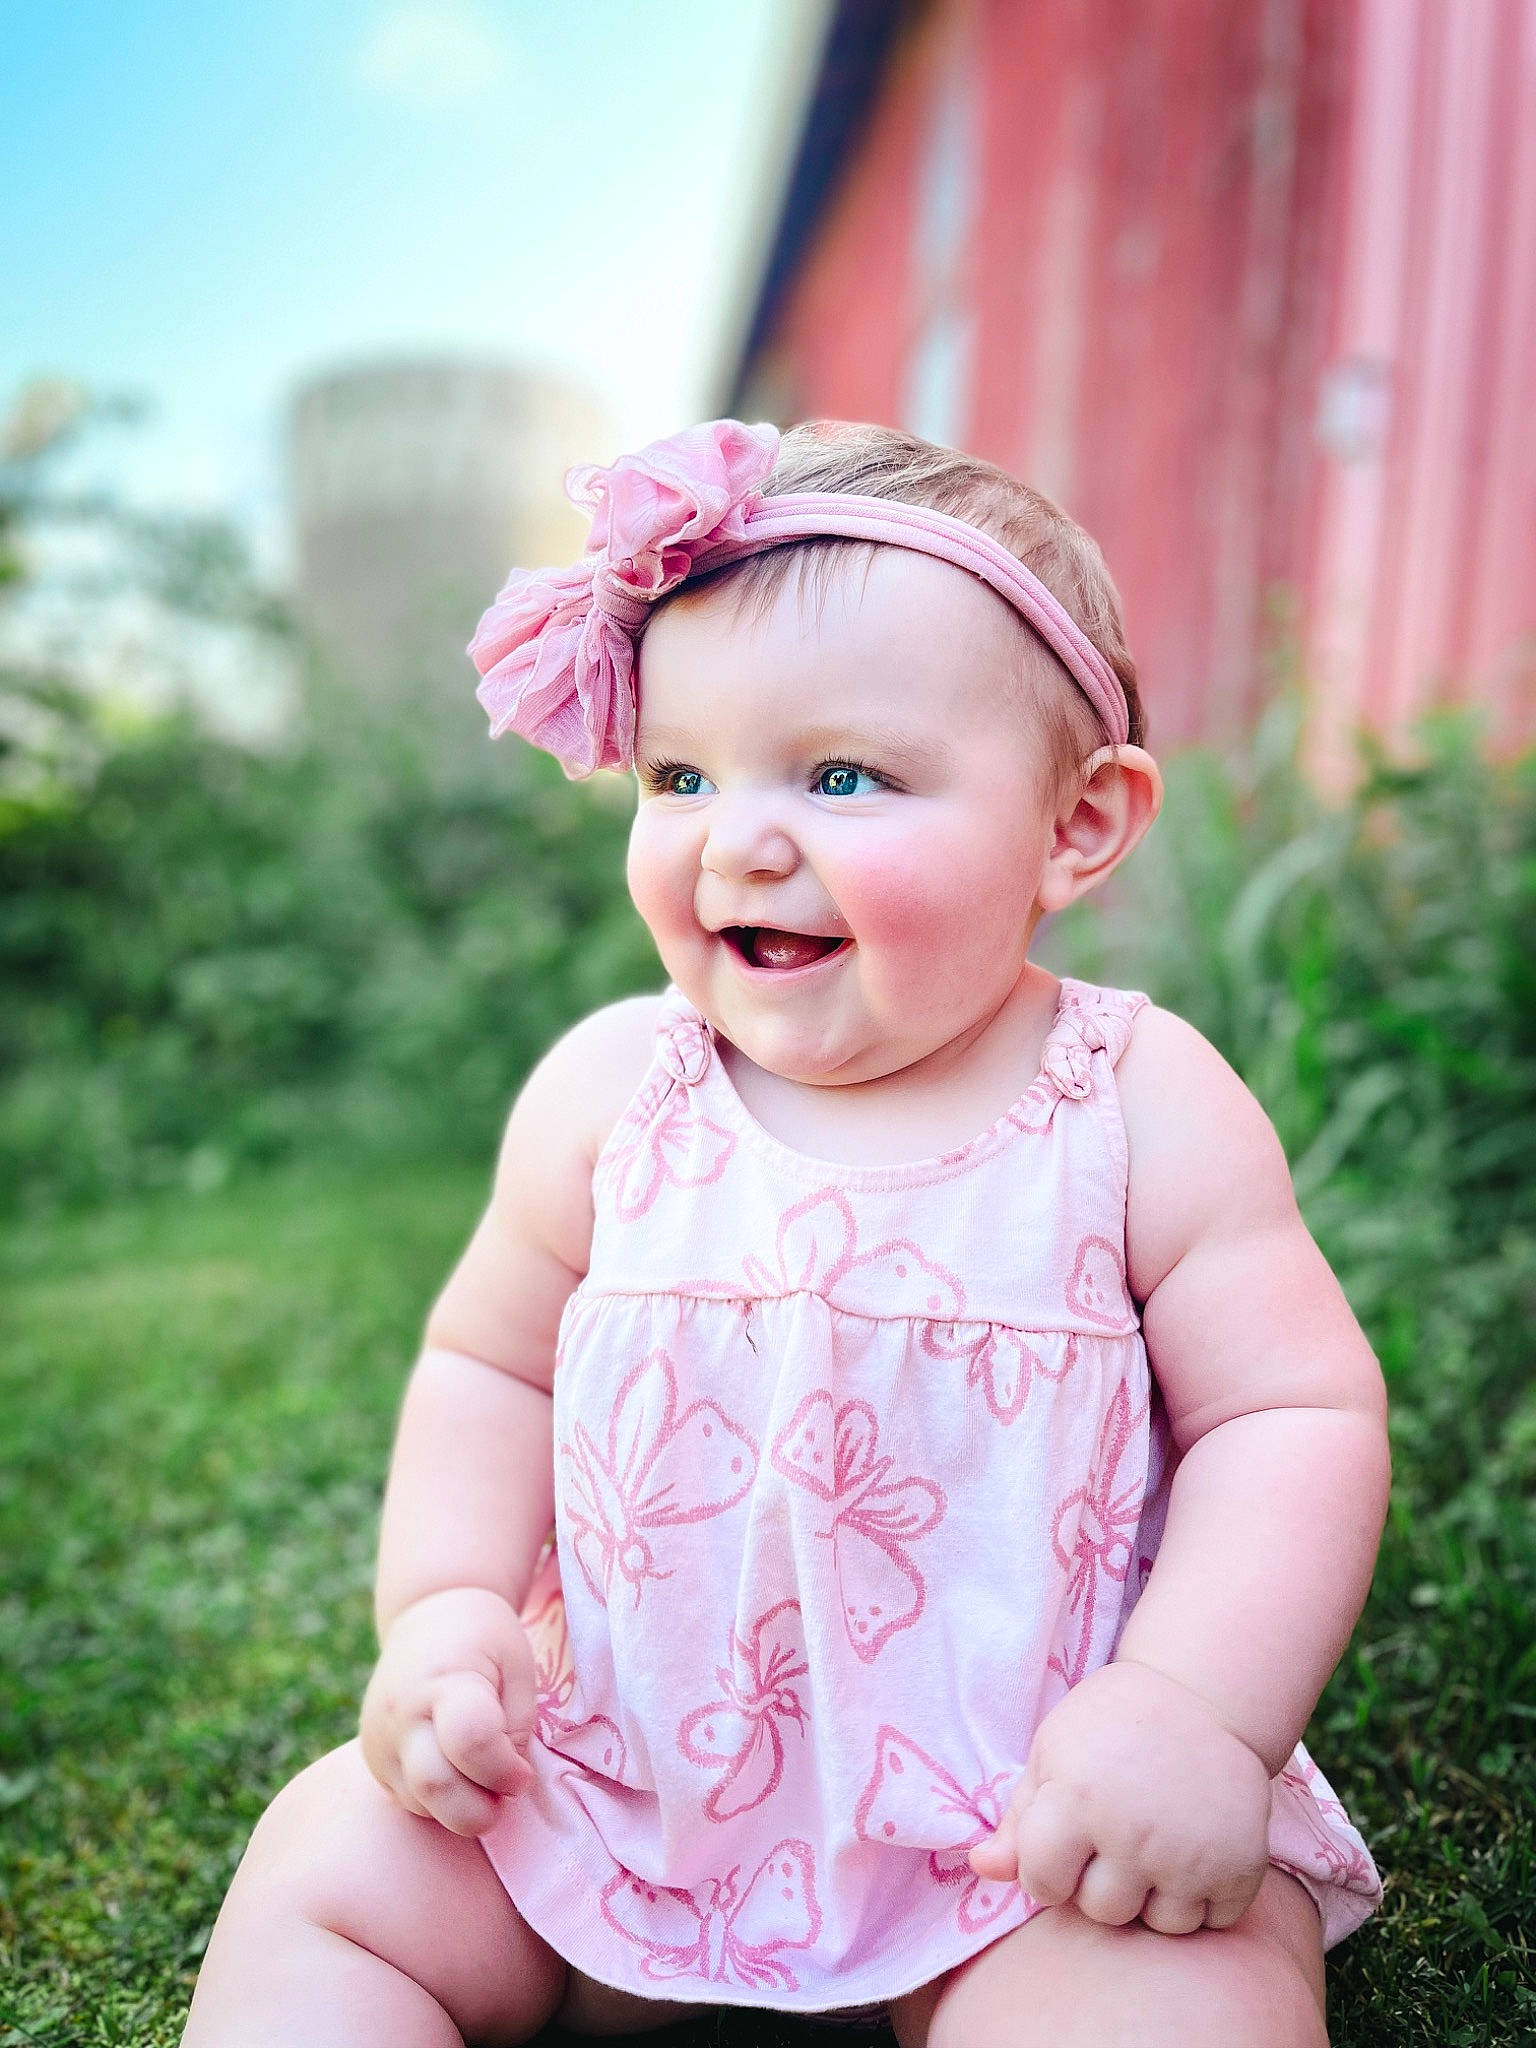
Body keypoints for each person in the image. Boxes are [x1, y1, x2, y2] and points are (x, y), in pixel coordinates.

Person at [182, 419, 1389, 2047]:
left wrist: (1191, 1716)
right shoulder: (615, 1093)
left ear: (1077, 824)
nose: (733, 836)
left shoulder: (1135, 1102)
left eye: (841, 775)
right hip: (617, 1793)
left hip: (1027, 1825)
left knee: (1170, 1994)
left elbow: (1288, 1414)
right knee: (335, 1868)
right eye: (680, 774)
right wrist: (449, 1611)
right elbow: (489, 1367)